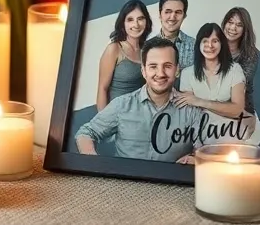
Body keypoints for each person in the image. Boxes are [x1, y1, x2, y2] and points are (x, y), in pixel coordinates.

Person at [75, 37, 204, 163]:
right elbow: (86, 133)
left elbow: (205, 149)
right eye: (153, 66)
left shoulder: (191, 111)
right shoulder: (122, 105)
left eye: (167, 66)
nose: (160, 73)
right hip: (124, 177)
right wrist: (94, 162)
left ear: (177, 70)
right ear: (143, 71)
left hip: (170, 178)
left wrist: (196, 159)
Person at [174, 23, 259, 144]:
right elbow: (190, 114)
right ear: (198, 44)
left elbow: (237, 110)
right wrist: (225, 108)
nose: (210, 45)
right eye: (205, 41)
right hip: (200, 138)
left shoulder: (235, 70)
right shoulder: (187, 73)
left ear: (222, 44)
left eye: (215, 41)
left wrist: (200, 102)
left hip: (231, 137)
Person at [95, 0, 151, 111]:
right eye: (130, 19)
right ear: (123, 24)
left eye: (140, 19)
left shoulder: (147, 50)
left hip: (139, 115)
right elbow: (102, 89)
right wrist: (104, 120)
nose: (136, 24)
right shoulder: (114, 48)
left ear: (146, 22)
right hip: (116, 116)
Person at [222, 7, 259, 117]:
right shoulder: (213, 47)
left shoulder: (251, 54)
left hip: (241, 111)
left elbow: (237, 84)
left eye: (239, 25)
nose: (233, 28)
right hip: (214, 107)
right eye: (230, 22)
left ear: (245, 29)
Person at [157, 0, 194, 70]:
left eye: (178, 12)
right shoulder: (147, 47)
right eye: (168, 12)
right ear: (160, 15)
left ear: (184, 16)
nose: (173, 17)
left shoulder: (195, 45)